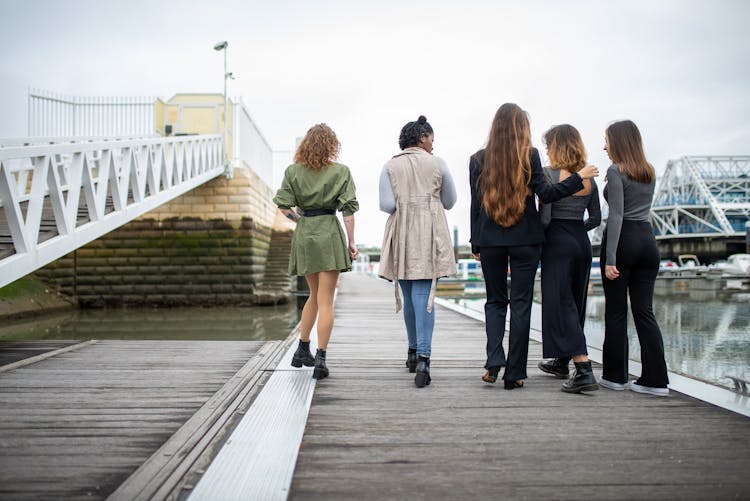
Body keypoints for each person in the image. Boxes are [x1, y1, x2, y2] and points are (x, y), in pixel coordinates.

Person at [469, 103, 599, 390]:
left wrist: (475, 241)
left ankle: (493, 362)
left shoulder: (477, 158)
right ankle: (514, 372)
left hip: (490, 240)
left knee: (494, 301)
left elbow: (475, 205)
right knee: (521, 304)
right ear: (522, 128)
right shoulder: (530, 155)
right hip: (526, 240)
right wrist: (579, 177)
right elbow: (548, 194)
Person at [273, 123, 359, 380]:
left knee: (313, 295)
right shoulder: (341, 172)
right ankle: (320, 358)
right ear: (332, 145)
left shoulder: (293, 171)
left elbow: (283, 205)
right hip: (329, 233)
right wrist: (351, 242)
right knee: (326, 300)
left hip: (305, 233)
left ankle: (302, 349)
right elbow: (348, 210)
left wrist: (301, 221)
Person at [379, 115, 457, 388]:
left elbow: (386, 204)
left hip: (401, 233)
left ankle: (412, 352)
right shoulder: (438, 163)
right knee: (424, 295)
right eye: (432, 139)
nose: (434, 145)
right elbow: (449, 201)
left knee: (410, 294)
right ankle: (424, 357)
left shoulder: (390, 165)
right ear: (422, 137)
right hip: (429, 231)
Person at [600, 120, 669, 396]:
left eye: (607, 141)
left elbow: (616, 214)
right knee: (644, 312)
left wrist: (610, 258)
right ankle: (656, 380)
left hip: (624, 240)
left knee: (616, 311)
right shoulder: (648, 171)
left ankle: (615, 376)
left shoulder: (616, 171)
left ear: (618, 142)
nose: (604, 146)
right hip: (647, 241)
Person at [537, 124, 602, 393]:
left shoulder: (549, 174)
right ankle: (561, 362)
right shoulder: (589, 178)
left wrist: (541, 241)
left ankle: (584, 370)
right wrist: (576, 229)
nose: (547, 150)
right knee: (576, 302)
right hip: (581, 242)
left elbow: (545, 217)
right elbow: (596, 218)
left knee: (560, 302)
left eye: (548, 145)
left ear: (556, 146)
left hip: (558, 241)